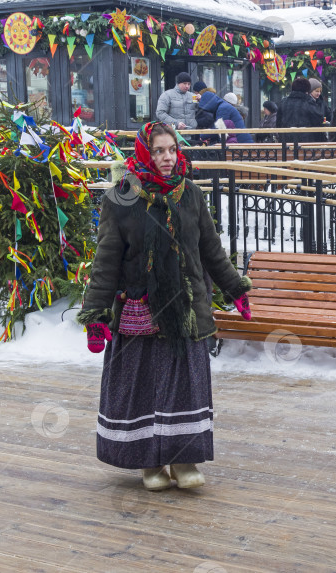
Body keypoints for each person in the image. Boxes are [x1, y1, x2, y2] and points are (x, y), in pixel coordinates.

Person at [78, 122, 252, 491]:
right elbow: (106, 260)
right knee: (144, 385)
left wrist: (235, 287)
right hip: (141, 309)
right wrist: (95, 313)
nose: (167, 157)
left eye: (171, 149)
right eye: (158, 151)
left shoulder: (189, 193)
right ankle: (150, 462)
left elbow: (210, 249)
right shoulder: (123, 197)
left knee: (185, 386)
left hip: (185, 308)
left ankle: (184, 458)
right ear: (144, 152)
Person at [276, 77, 325, 144]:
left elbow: (278, 122)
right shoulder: (308, 102)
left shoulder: (284, 102)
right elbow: (318, 119)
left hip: (286, 142)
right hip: (306, 142)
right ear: (307, 89)